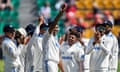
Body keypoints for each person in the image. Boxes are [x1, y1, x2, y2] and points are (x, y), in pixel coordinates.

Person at [42, 3, 67, 72]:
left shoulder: (55, 39)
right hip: (49, 62)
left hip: (54, 64)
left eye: (57, 27)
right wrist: (60, 14)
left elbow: (57, 56)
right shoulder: (47, 35)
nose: (56, 28)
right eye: (54, 27)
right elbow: (53, 25)